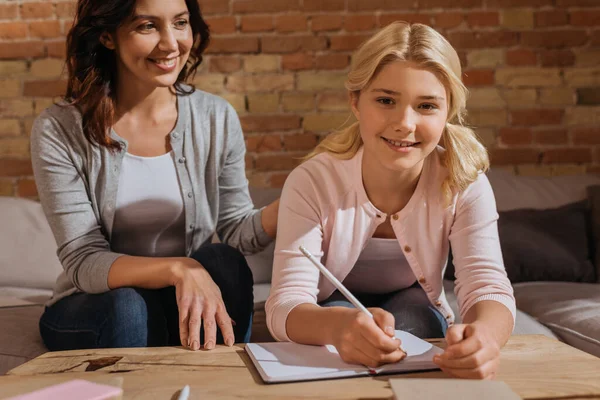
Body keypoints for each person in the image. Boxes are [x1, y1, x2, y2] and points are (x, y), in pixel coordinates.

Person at [265, 21, 515, 380]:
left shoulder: (463, 181)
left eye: (427, 106)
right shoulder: (312, 181)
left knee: (417, 322)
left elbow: (486, 285)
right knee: (342, 329)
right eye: (385, 101)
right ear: (355, 101)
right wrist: (337, 328)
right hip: (329, 306)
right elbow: (285, 304)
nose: (404, 123)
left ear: (448, 113)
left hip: (411, 298)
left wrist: (486, 338)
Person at [30, 0, 279, 352]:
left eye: (180, 23)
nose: (170, 43)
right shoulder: (60, 129)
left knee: (224, 262)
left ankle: (221, 381)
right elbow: (82, 260)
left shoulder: (215, 118)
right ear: (107, 36)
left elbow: (235, 231)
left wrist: (295, 202)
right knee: (128, 306)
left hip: (182, 298)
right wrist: (178, 269)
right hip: (96, 304)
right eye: (147, 26)